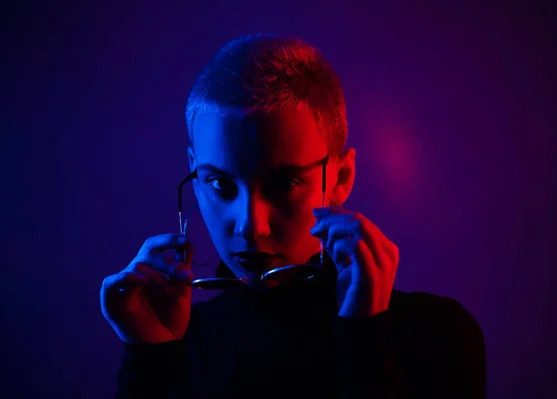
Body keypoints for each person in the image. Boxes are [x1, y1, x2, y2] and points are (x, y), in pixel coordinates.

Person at [100, 34, 486, 398]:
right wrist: (148, 361)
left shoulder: (437, 336)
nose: (250, 226)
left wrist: (366, 338)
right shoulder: (175, 345)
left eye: (283, 184)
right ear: (195, 175)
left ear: (342, 178)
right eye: (219, 184)